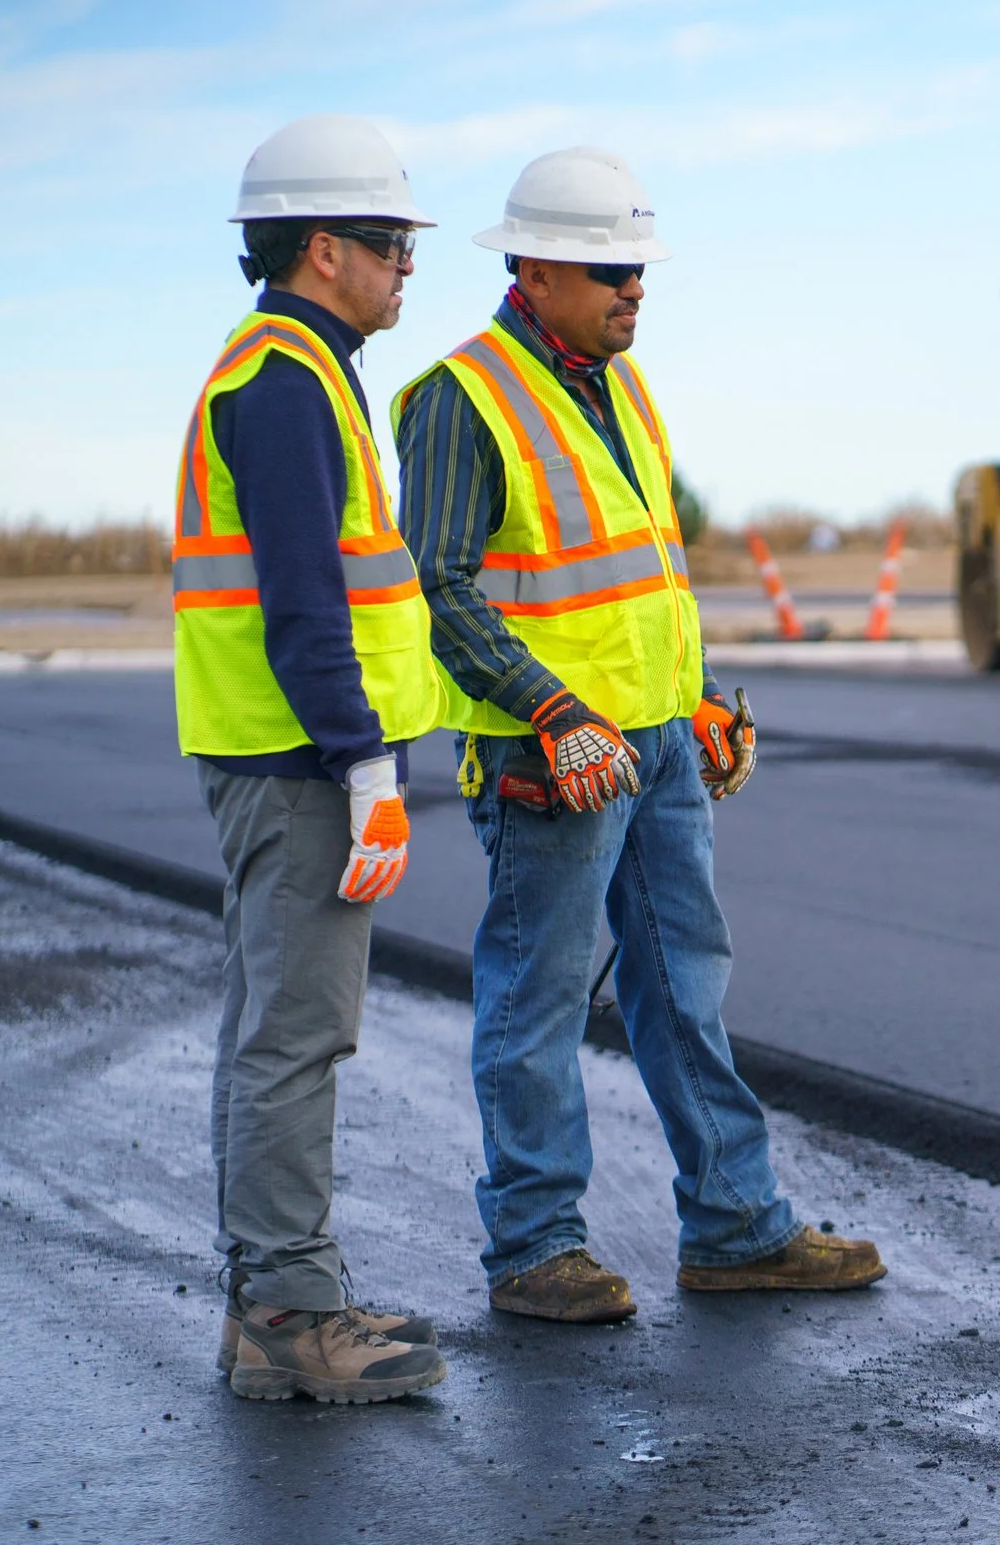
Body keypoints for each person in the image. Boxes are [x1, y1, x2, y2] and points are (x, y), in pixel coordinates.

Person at [394, 147, 885, 1323]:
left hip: (657, 748)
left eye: (640, 269)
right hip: (548, 760)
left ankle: (735, 1227)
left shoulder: (623, 386)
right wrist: (557, 715)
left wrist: (705, 694)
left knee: (685, 989)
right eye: (611, 269)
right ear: (537, 266)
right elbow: (440, 587)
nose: (635, 290)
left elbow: (649, 576)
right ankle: (532, 1249)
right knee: (539, 999)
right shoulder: (462, 400)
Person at [174, 114, 449, 1403]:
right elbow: (302, 605)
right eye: (393, 242)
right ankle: (290, 1307)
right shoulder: (284, 385)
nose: (407, 265)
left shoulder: (300, 371)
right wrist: (366, 768)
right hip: (298, 765)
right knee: (296, 1034)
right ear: (325, 248)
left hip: (283, 757)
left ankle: (270, 1300)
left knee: (269, 1027)